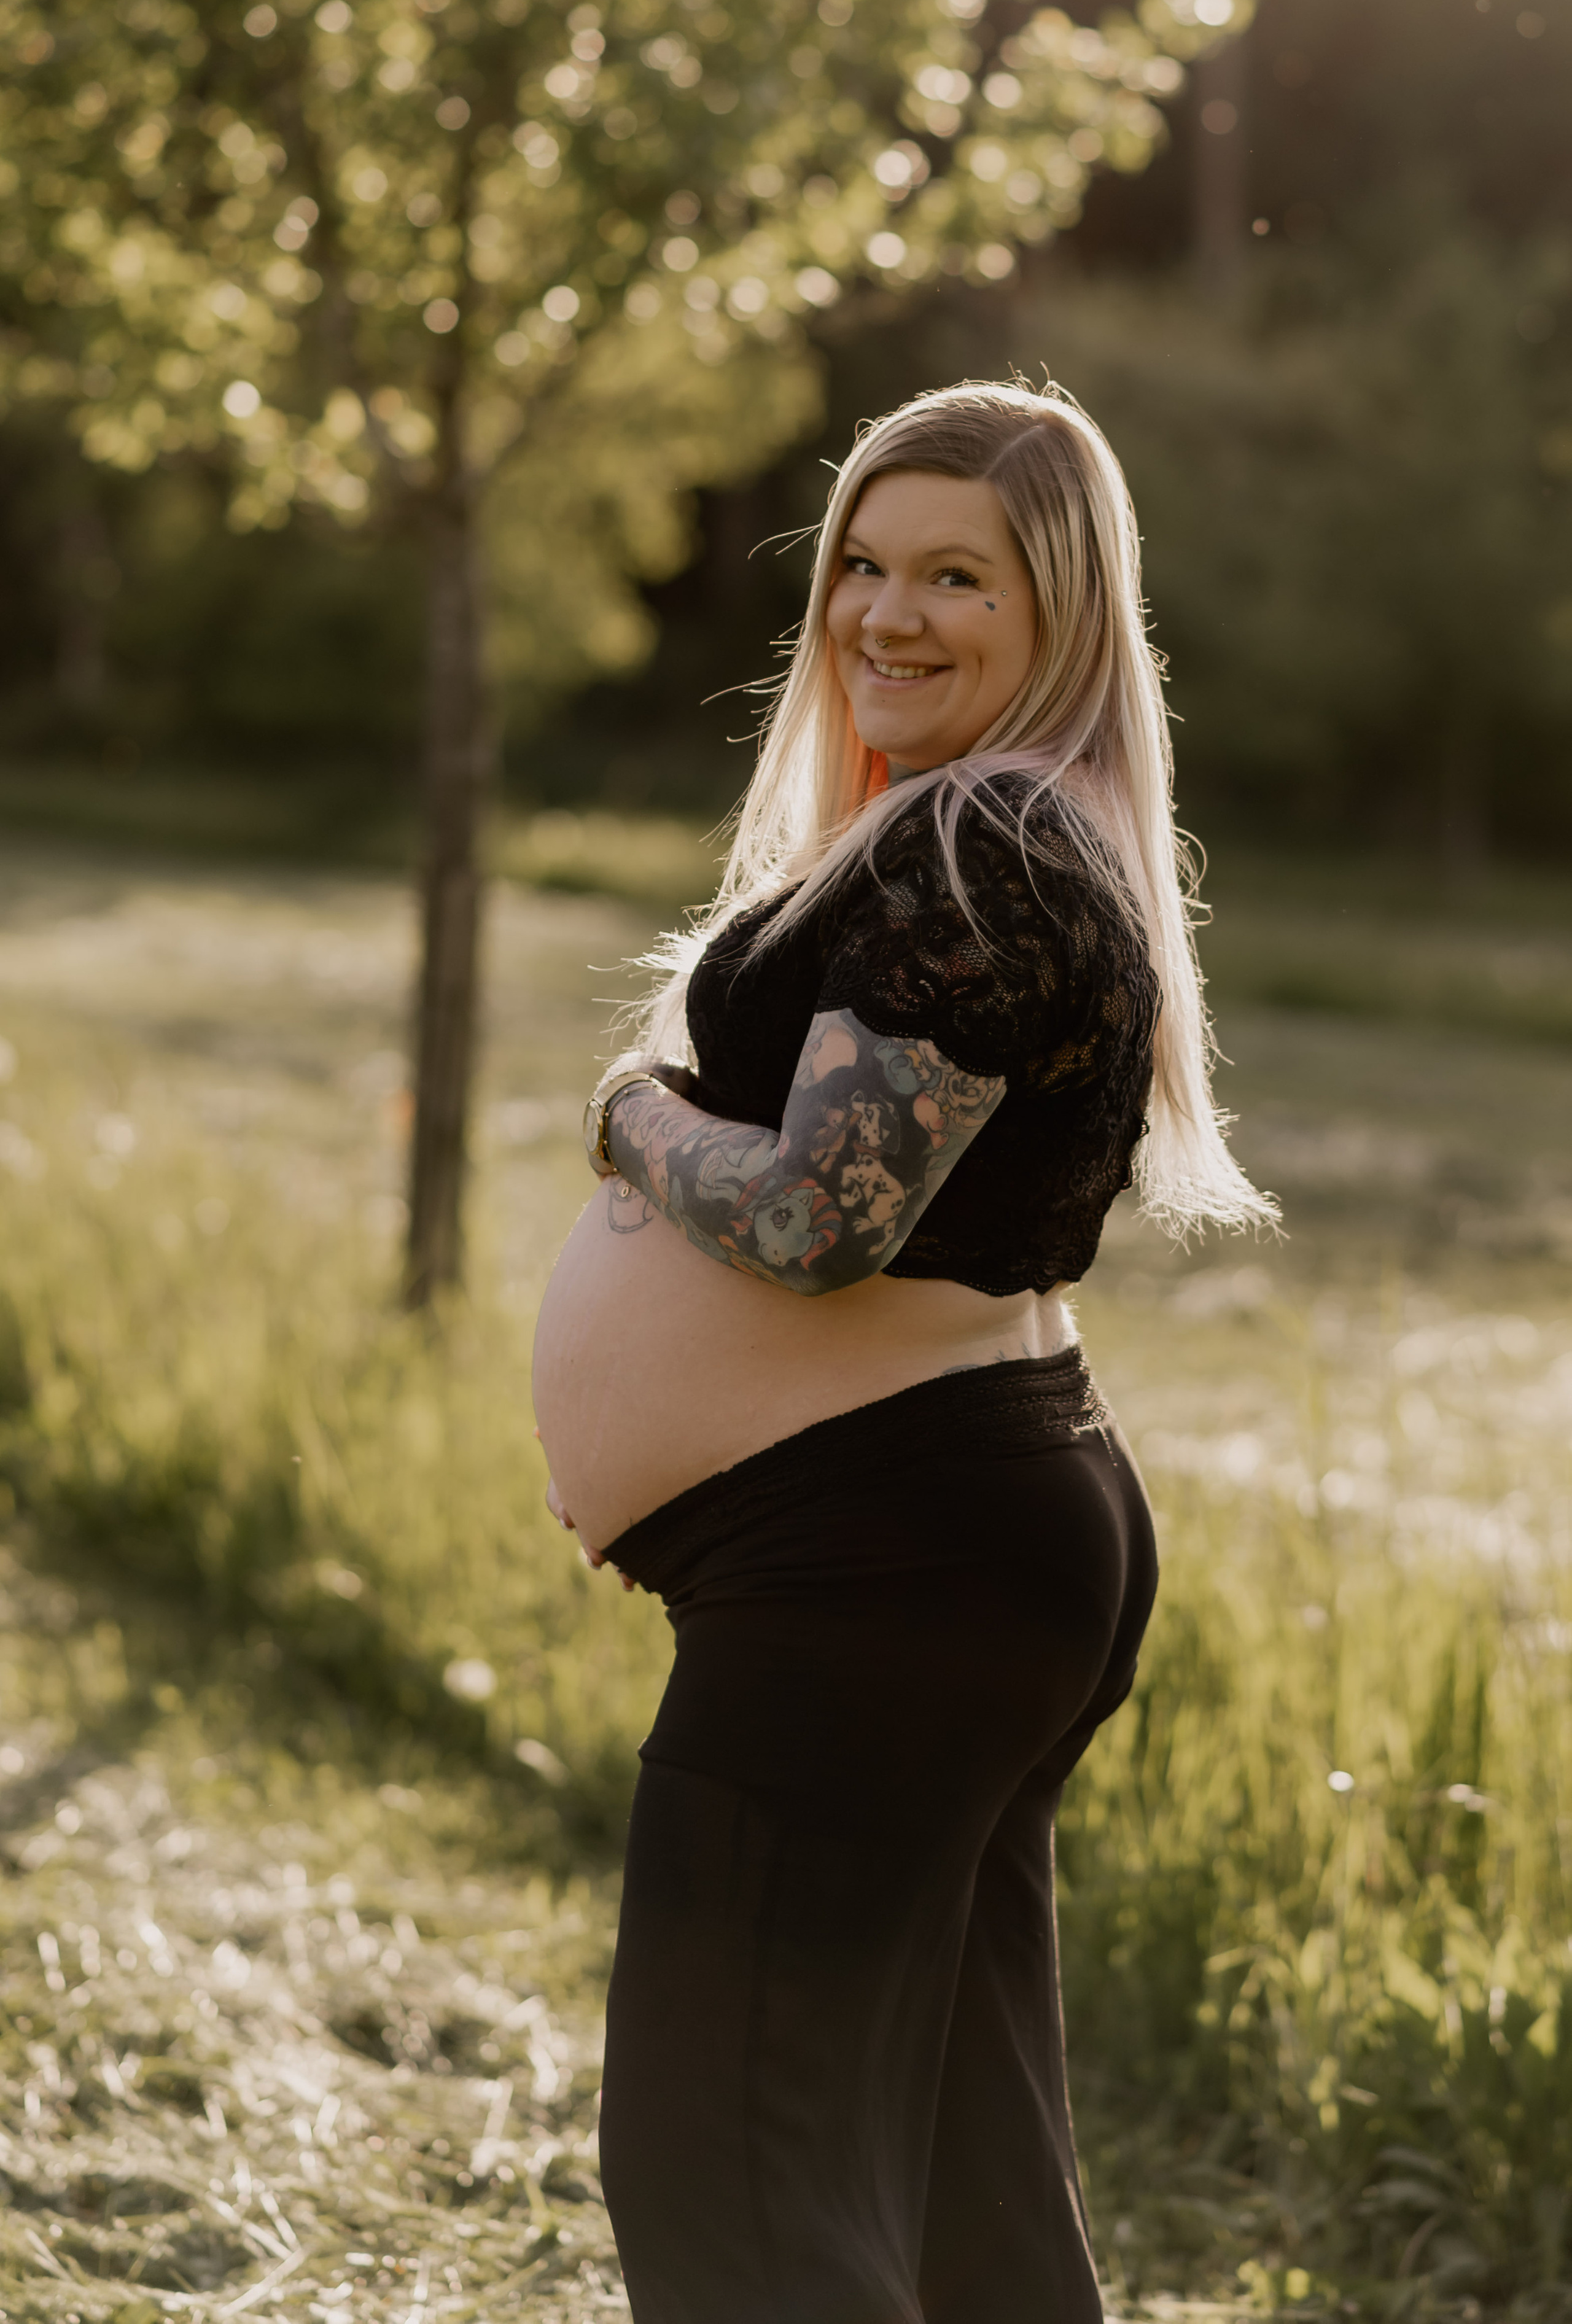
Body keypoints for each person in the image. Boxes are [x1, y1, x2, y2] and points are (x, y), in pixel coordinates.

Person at [530, 381, 1275, 2324]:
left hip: (887, 1577)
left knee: (738, 2168)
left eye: (958, 573)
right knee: (954, 2179)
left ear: (1064, 611)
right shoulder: (1001, 831)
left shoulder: (981, 853)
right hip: (944, 1551)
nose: (886, 611)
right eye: (863, 562)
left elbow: (814, 1221)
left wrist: (628, 1113)